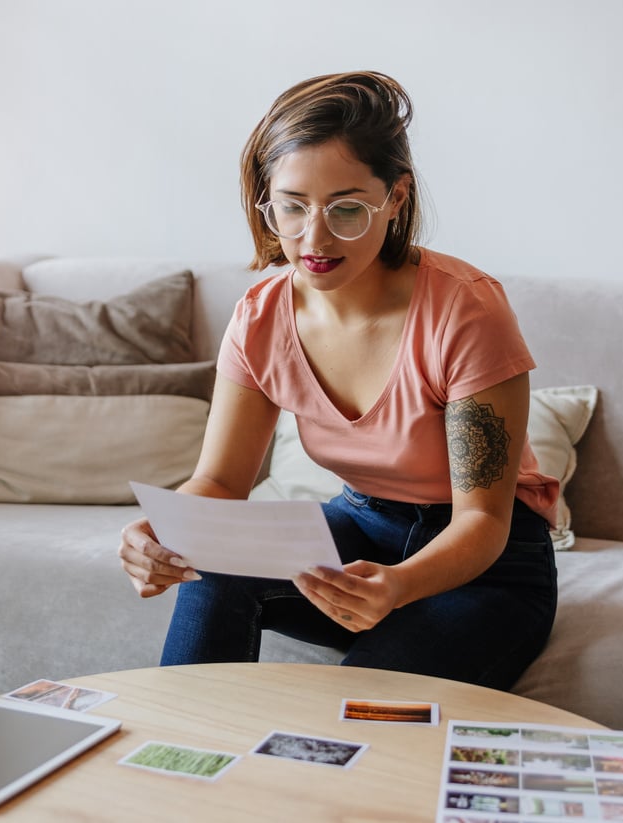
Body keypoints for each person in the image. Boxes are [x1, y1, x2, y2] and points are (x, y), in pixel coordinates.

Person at [118, 71, 560, 690]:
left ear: (396, 198)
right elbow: (218, 481)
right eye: (292, 208)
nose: (315, 238)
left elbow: (482, 522)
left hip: (485, 567)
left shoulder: (465, 311)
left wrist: (400, 586)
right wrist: (164, 533)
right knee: (212, 565)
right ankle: (177, 753)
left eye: (347, 208)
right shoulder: (261, 316)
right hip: (361, 527)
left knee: (357, 707)